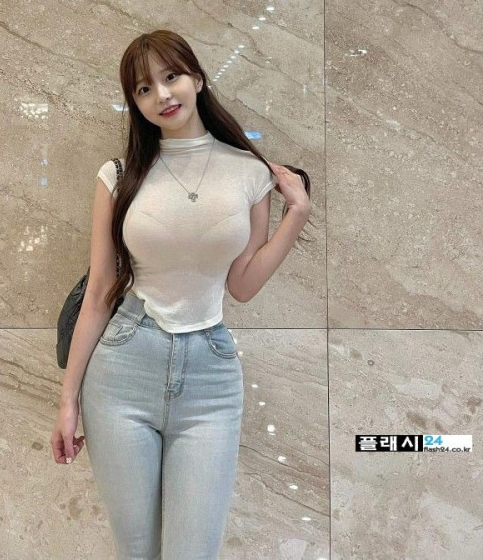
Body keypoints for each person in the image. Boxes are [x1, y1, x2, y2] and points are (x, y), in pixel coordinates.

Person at [50, 29, 312, 559]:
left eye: (171, 77)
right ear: (135, 103)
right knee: (137, 551)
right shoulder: (119, 176)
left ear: (197, 78)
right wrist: (68, 400)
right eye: (144, 88)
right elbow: (99, 292)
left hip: (210, 381)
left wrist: (298, 214)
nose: (162, 95)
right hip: (122, 370)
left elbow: (242, 285)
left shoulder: (249, 173)